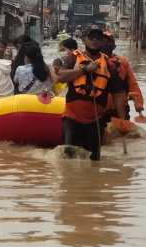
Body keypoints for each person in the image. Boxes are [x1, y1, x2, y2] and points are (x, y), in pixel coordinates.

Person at [54, 28, 127, 161]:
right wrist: (84, 70)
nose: (94, 40)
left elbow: (119, 94)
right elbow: (60, 77)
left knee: (94, 161)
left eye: (98, 38)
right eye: (91, 37)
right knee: (68, 160)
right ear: (84, 39)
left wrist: (122, 120)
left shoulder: (110, 65)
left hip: (96, 120)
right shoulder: (73, 58)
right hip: (72, 118)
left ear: (102, 42)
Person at [100, 31, 145, 118]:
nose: (105, 44)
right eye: (102, 41)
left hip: (119, 109)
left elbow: (133, 84)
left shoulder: (122, 63)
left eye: (108, 41)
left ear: (114, 46)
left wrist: (138, 103)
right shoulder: (91, 62)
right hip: (98, 110)